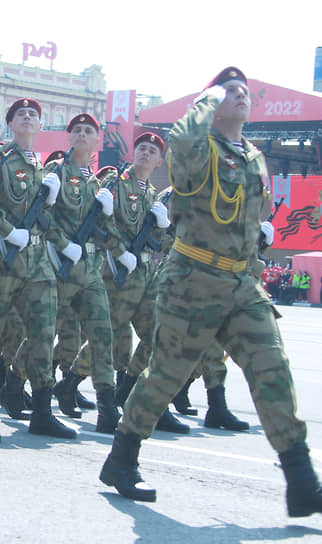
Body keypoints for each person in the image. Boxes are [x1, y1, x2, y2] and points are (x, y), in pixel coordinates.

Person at [98, 67, 322, 517]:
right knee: (166, 375)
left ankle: (301, 481)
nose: (239, 96)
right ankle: (121, 458)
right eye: (228, 91)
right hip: (194, 280)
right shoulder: (197, 149)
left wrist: (258, 254)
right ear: (211, 104)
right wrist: (207, 98)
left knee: (272, 369)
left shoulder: (254, 156)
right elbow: (180, 140)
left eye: (242, 91)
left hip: (242, 282)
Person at [0, 98, 76, 438]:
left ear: (40, 125)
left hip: (36, 261)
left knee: (43, 332)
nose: (28, 117)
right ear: (11, 123)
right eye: (21, 114)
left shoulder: (40, 167)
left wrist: (62, 242)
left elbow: (44, 218)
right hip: (2, 257)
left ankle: (43, 410)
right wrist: (8, 230)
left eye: (34, 114)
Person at [106, 132, 189, 434]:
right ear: (134, 152)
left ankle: (140, 394)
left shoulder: (153, 196)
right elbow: (100, 224)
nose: (145, 153)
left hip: (145, 275)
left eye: (152, 150)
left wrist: (165, 226)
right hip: (117, 271)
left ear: (158, 161)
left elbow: (164, 243)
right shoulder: (114, 184)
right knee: (105, 335)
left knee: (160, 337)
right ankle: (68, 384)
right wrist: (120, 253)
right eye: (141, 147)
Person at [45, 113, 122, 433]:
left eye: (88, 130)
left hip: (90, 269)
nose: (81, 134)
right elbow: (40, 217)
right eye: (76, 130)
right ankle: (12, 379)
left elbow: (108, 235)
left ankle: (107, 406)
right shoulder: (54, 172)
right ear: (69, 137)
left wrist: (107, 214)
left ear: (96, 140)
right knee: (45, 333)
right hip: (61, 265)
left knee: (103, 335)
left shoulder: (95, 183)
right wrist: (63, 245)